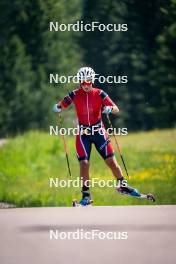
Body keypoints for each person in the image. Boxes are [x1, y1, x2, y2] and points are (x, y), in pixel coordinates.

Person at [53, 67, 141, 205]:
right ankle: (86, 195)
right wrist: (57, 107)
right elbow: (61, 105)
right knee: (84, 163)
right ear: (79, 82)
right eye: (82, 82)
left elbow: (116, 109)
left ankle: (123, 186)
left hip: (99, 132)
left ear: (92, 81)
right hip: (83, 134)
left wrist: (109, 109)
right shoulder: (74, 94)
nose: (85, 85)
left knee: (111, 162)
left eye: (88, 82)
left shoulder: (100, 93)